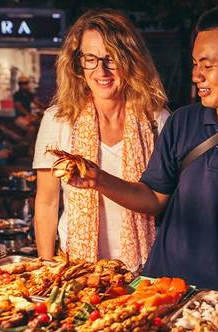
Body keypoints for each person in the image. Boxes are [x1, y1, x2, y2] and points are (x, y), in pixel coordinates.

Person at [62, 4, 218, 294]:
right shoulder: (183, 121)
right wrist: (99, 180)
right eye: (195, 64)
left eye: (207, 65)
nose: (197, 76)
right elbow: (154, 197)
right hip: (162, 291)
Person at [33, 9, 170, 268]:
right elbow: (47, 202)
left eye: (111, 59)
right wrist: (46, 264)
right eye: (91, 59)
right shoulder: (58, 120)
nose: (101, 70)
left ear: (131, 60)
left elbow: (163, 201)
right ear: (78, 63)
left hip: (145, 268)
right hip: (75, 267)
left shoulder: (157, 121)